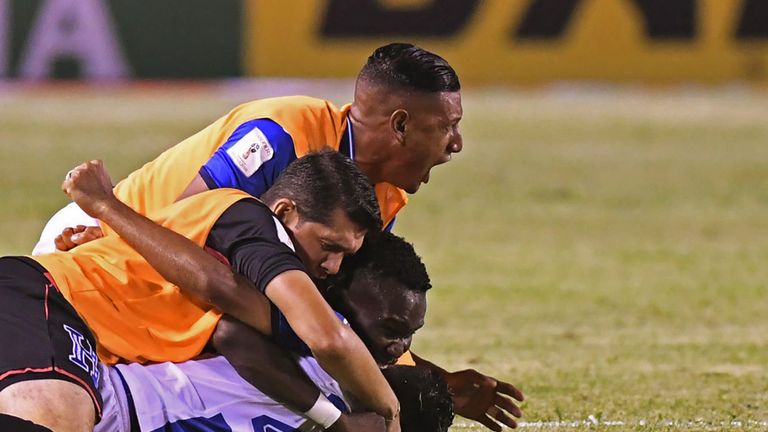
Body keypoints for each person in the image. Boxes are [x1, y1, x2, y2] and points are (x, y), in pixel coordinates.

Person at [33, 42, 522, 430]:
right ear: (399, 125)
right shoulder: (281, 136)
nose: (456, 143)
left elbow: (338, 315)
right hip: (109, 248)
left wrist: (431, 382)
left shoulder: (381, 197)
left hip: (171, 277)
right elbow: (190, 229)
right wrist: (108, 228)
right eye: (449, 126)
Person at [0, 153, 400, 432]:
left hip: (62, 322)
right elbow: (324, 336)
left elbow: (233, 328)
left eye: (345, 257)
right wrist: (389, 411)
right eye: (328, 246)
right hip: (46, 300)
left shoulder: (223, 240)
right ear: (284, 212)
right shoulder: (254, 221)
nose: (331, 267)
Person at [93, 232, 453, 432]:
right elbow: (233, 335)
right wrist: (336, 421)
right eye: (391, 328)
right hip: (116, 401)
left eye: (410, 334)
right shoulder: (315, 355)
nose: (399, 348)